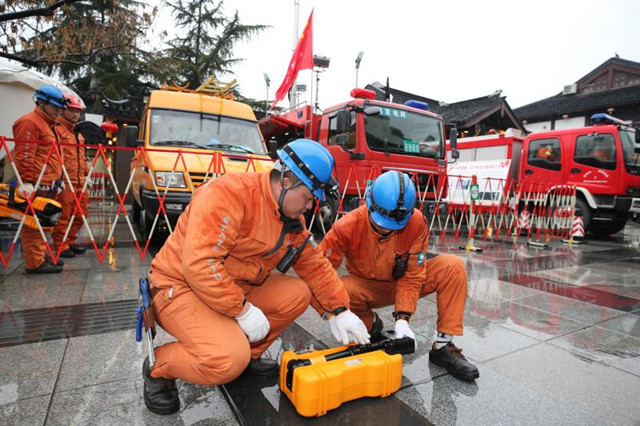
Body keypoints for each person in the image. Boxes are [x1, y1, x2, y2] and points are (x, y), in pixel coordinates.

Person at [142, 139, 370, 415]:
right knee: (227, 360)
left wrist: (339, 310)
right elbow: (201, 264)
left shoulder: (288, 216)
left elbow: (313, 264)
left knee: (298, 293)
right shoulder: (229, 195)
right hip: (178, 286)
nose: (310, 207)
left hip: (229, 286)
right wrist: (243, 311)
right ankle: (158, 369)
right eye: (309, 198)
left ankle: (249, 355)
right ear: (287, 180)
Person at [319, 170, 479, 381]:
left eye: (394, 226)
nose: (387, 230)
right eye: (381, 224)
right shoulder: (345, 227)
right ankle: (370, 325)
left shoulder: (416, 222)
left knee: (452, 266)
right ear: (369, 203)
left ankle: (442, 347)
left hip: (404, 284)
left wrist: (403, 319)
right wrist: (334, 313)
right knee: (341, 290)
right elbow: (320, 273)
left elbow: (413, 275)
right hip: (367, 286)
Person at [12, 85, 68, 274]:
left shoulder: (48, 125)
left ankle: (41, 255)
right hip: (35, 184)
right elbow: (25, 154)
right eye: (55, 107)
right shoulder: (29, 122)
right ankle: (35, 263)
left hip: (48, 184)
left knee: (44, 223)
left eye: (60, 107)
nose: (58, 111)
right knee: (33, 225)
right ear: (41, 102)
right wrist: (26, 181)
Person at [52, 94, 90, 258]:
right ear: (64, 110)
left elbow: (81, 157)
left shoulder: (78, 135)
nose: (75, 114)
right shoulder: (58, 131)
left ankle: (71, 241)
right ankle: (61, 245)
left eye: (78, 112)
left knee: (81, 214)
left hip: (79, 180)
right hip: (65, 181)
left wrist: (86, 173)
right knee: (64, 215)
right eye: (72, 111)